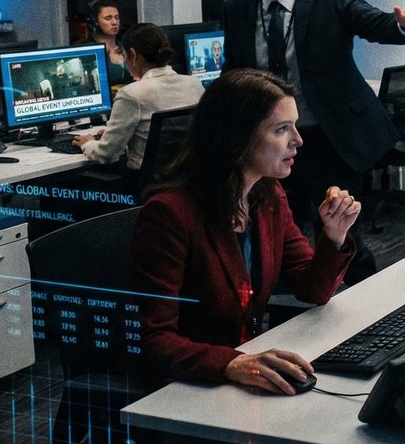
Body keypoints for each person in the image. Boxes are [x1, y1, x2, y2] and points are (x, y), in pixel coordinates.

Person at [221, 0, 405, 281]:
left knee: (342, 232)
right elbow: (235, 73)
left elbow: (372, 22)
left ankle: (367, 311)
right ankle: (286, 314)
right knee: (274, 236)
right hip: (269, 146)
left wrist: (404, 26)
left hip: (330, 140)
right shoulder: (237, 8)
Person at [128, 69, 358, 392]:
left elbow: (312, 289)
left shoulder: (268, 196)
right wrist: (230, 363)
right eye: (281, 129)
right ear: (236, 139)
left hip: (246, 374)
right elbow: (152, 339)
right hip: (190, 387)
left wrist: (334, 235)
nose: (298, 140)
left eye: (294, 125)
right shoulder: (171, 214)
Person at [73, 23, 205, 171]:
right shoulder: (194, 84)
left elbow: (105, 155)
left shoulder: (131, 94)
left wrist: (88, 143)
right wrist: (117, 135)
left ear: (133, 54)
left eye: (124, 56)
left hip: (145, 184)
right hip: (187, 179)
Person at [80, 0, 133, 87]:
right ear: (95, 21)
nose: (114, 22)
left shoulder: (127, 47)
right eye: (108, 18)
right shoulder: (85, 51)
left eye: (117, 17)